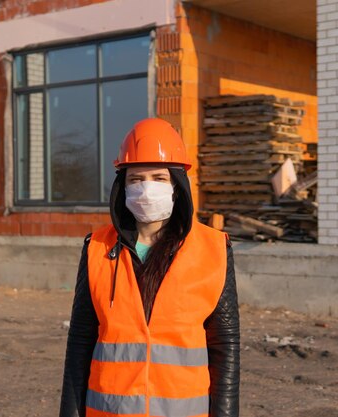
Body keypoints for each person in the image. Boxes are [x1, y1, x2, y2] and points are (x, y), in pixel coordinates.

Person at [59, 118, 240, 417]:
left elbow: (225, 348)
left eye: (158, 178)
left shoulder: (214, 249)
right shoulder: (97, 248)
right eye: (135, 179)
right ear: (122, 186)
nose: (146, 189)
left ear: (177, 186)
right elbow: (80, 341)